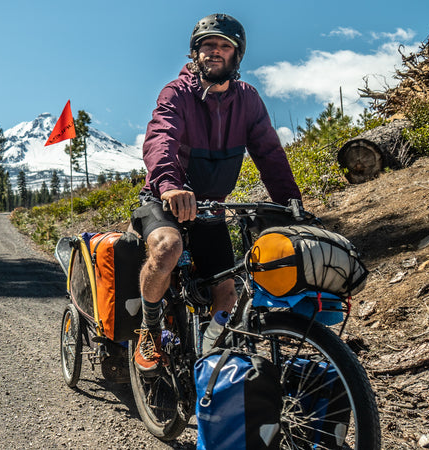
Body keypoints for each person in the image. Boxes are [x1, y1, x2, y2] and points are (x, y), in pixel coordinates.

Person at [131, 13, 303, 373]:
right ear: (195, 53)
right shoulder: (176, 93)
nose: (215, 51)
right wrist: (170, 186)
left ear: (236, 55)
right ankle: (149, 328)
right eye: (208, 45)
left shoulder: (248, 100)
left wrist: (291, 204)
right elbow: (161, 138)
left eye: (225, 46)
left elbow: (270, 155)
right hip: (164, 199)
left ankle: (210, 355)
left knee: (227, 290)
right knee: (167, 248)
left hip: (210, 208)